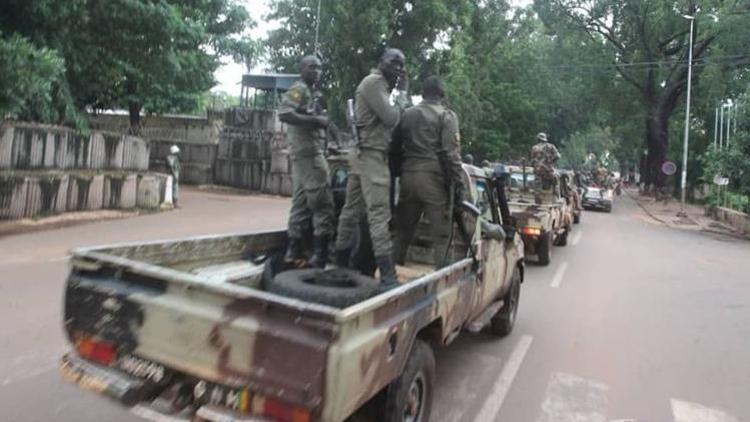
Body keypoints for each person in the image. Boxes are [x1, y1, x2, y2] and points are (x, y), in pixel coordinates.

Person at [333, 48, 408, 288]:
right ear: (381, 63)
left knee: (351, 209)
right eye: (394, 63)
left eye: (401, 65)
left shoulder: (378, 85)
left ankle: (340, 263)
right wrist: (404, 92)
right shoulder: (375, 83)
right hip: (372, 156)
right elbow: (392, 118)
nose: (398, 69)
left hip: (363, 155)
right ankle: (387, 274)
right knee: (379, 214)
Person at [392, 76, 466, 268]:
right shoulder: (446, 116)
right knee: (442, 237)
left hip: (408, 177)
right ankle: (443, 284)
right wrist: (459, 187)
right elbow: (451, 155)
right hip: (434, 181)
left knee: (402, 233)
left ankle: (390, 276)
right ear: (442, 94)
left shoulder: (406, 114)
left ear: (423, 94)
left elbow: (394, 148)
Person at [278, 55, 336, 267]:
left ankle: (293, 250)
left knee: (301, 203)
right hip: (309, 154)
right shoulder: (299, 89)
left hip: (305, 153)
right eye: (312, 67)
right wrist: (314, 120)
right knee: (323, 203)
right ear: (302, 69)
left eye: (320, 68)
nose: (317, 71)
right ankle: (321, 254)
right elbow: (284, 113)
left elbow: (322, 121)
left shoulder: (311, 93)